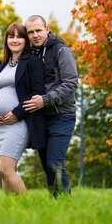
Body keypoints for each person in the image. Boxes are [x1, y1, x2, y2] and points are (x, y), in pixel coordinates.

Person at [0, 23, 46, 194]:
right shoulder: (1, 65)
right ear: (6, 40)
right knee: (5, 174)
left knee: (5, 169)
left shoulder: (32, 62)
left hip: (19, 122)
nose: (15, 40)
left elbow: (37, 92)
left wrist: (17, 114)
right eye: (11, 36)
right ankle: (12, 211)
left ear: (25, 40)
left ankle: (26, 207)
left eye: (19, 36)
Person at [22, 15, 78, 197]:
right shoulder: (30, 55)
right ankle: (56, 207)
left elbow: (71, 83)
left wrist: (45, 100)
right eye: (30, 32)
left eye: (38, 30)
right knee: (47, 167)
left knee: (54, 164)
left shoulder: (62, 51)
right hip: (40, 117)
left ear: (47, 29)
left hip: (62, 115)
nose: (35, 35)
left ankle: (67, 207)